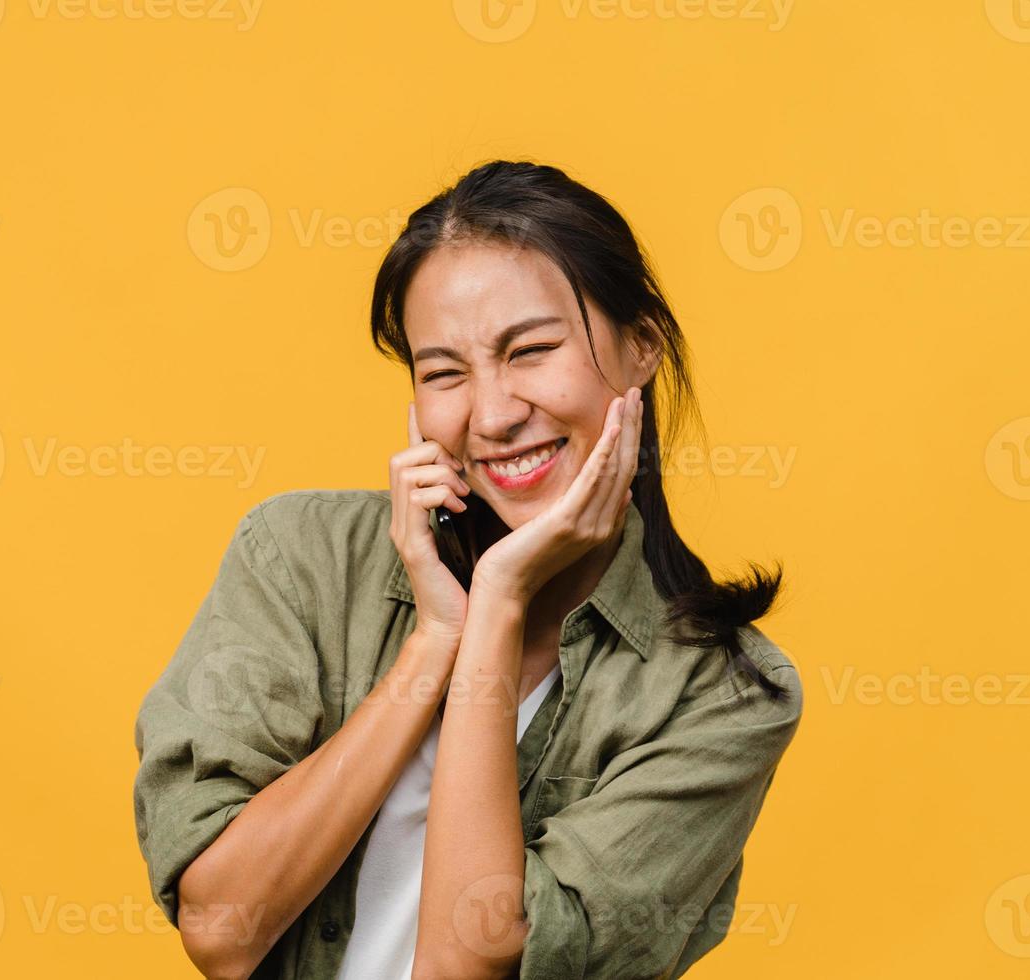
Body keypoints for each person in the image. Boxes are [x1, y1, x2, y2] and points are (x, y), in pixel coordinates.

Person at [133, 160, 803, 980]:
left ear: (641, 348)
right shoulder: (298, 558)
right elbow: (221, 930)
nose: (491, 415)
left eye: (531, 351)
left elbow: (467, 966)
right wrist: (433, 641)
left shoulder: (722, 695)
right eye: (444, 371)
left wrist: (498, 603)